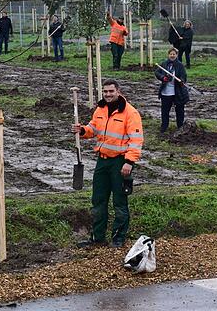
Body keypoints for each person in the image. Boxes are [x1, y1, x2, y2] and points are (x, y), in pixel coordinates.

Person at [71, 79, 143, 248]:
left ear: (118, 91)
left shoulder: (130, 113)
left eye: (111, 91)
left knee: (119, 201)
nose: (108, 94)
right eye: (105, 92)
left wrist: (129, 162)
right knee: (98, 200)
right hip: (102, 162)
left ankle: (118, 238)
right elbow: (93, 129)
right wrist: (82, 130)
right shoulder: (100, 109)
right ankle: (98, 238)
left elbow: (136, 140)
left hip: (119, 162)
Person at [155, 48, 188, 133]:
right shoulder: (164, 64)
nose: (172, 55)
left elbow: (184, 76)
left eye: (174, 54)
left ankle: (180, 126)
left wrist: (181, 81)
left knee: (180, 111)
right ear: (168, 55)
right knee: (165, 110)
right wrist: (163, 78)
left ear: (176, 55)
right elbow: (157, 73)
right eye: (171, 54)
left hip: (177, 93)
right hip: (166, 93)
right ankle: (164, 127)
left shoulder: (180, 65)